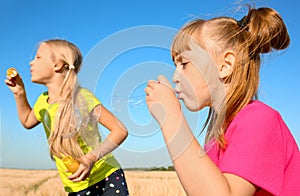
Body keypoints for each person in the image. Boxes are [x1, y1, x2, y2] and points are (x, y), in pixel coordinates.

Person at [145, 6, 299, 195]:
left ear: (225, 65)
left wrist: (171, 118)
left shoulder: (259, 119)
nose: (175, 77)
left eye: (184, 64)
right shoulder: (218, 133)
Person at [5, 39, 130, 195]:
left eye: (38, 57)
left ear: (57, 65)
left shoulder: (82, 98)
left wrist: (90, 158)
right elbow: (27, 121)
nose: (31, 63)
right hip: (75, 186)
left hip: (107, 177)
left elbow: (120, 130)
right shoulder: (42, 102)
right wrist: (19, 93)